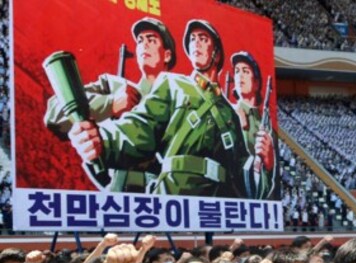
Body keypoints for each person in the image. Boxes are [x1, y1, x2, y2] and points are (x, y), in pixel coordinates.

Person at [67, 19, 250, 198]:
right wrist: (103, 142)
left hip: (220, 202)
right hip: (176, 194)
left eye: (203, 39)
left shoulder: (230, 113)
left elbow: (243, 170)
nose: (196, 44)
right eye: (192, 39)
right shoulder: (173, 83)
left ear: (216, 54)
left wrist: (264, 163)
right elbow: (141, 128)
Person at [46, 18, 176, 192]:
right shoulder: (116, 87)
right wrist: (110, 104)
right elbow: (54, 113)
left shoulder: (181, 99)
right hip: (118, 191)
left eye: (151, 40)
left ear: (167, 54)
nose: (144, 45)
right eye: (140, 41)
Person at [230, 51, 276, 200]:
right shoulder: (227, 113)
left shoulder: (266, 127)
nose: (239, 75)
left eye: (245, 71)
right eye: (236, 71)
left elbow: (267, 187)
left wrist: (269, 165)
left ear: (256, 83)